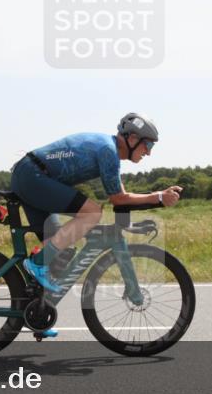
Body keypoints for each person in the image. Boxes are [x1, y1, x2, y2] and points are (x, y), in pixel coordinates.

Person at [10, 113, 182, 312]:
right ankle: (37, 263)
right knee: (91, 212)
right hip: (32, 177)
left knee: (61, 253)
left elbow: (121, 199)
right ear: (132, 138)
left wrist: (129, 225)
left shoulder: (109, 151)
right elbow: (118, 199)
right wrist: (159, 197)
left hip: (31, 177)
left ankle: (35, 313)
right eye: (148, 145)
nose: (149, 153)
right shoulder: (107, 150)